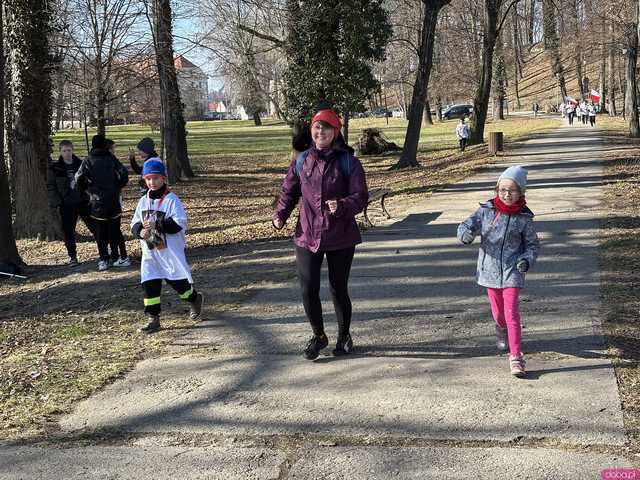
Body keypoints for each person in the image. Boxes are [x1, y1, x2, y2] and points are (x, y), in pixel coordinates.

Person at [273, 107, 369, 360]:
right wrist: (280, 215)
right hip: (307, 233)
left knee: (338, 289)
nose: (320, 131)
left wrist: (343, 206)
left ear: (336, 132)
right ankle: (319, 335)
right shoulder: (302, 160)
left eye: (326, 127)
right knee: (308, 289)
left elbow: (360, 197)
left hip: (340, 234)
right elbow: (289, 192)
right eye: (316, 127)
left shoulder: (349, 162)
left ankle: (344, 335)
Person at [457, 166, 539, 377]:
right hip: (489, 270)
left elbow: (532, 246)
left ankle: (516, 357)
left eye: (512, 190)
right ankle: (500, 328)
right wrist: (465, 234)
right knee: (499, 313)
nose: (507, 194)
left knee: (512, 313)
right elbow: (466, 225)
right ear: (496, 190)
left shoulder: (524, 219)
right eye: (502, 189)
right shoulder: (486, 211)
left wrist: (526, 260)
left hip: (513, 270)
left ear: (521, 192)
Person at [130, 159, 204, 333]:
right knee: (149, 286)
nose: (152, 182)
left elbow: (179, 224)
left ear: (163, 178)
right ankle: (153, 318)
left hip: (169, 254)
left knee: (181, 287)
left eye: (155, 178)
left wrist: (158, 225)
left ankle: (194, 299)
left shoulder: (171, 200)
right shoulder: (143, 201)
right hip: (150, 254)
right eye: (148, 179)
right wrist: (140, 231)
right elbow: (134, 223)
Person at [75, 134, 129, 272]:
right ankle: (118, 256)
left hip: (97, 202)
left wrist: (87, 189)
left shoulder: (88, 161)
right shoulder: (111, 158)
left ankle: (104, 259)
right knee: (115, 230)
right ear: (104, 145)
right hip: (113, 200)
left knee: (101, 233)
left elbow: (78, 178)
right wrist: (117, 186)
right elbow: (123, 173)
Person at [46, 140, 96, 265]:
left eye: (69, 150)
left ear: (72, 150)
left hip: (83, 201)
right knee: (68, 231)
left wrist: (90, 195)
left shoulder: (81, 164)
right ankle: (73, 257)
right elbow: (51, 186)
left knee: (94, 226)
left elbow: (90, 181)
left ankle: (105, 251)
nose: (67, 153)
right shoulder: (56, 168)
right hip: (67, 204)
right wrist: (58, 202)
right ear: (60, 152)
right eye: (64, 151)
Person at [105, 138, 131, 267]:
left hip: (114, 199)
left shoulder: (112, 160)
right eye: (112, 149)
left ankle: (122, 255)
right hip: (107, 199)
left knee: (115, 228)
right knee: (110, 229)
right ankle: (114, 254)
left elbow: (123, 174)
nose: (114, 151)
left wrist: (118, 186)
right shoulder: (106, 160)